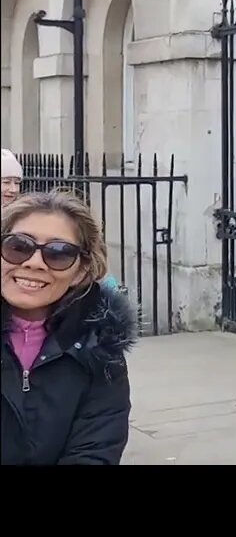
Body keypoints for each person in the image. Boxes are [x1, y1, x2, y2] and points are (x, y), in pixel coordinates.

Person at [1, 189, 136, 465]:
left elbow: (94, 452)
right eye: (18, 246)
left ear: (82, 270)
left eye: (59, 253)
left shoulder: (100, 349)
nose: (34, 263)